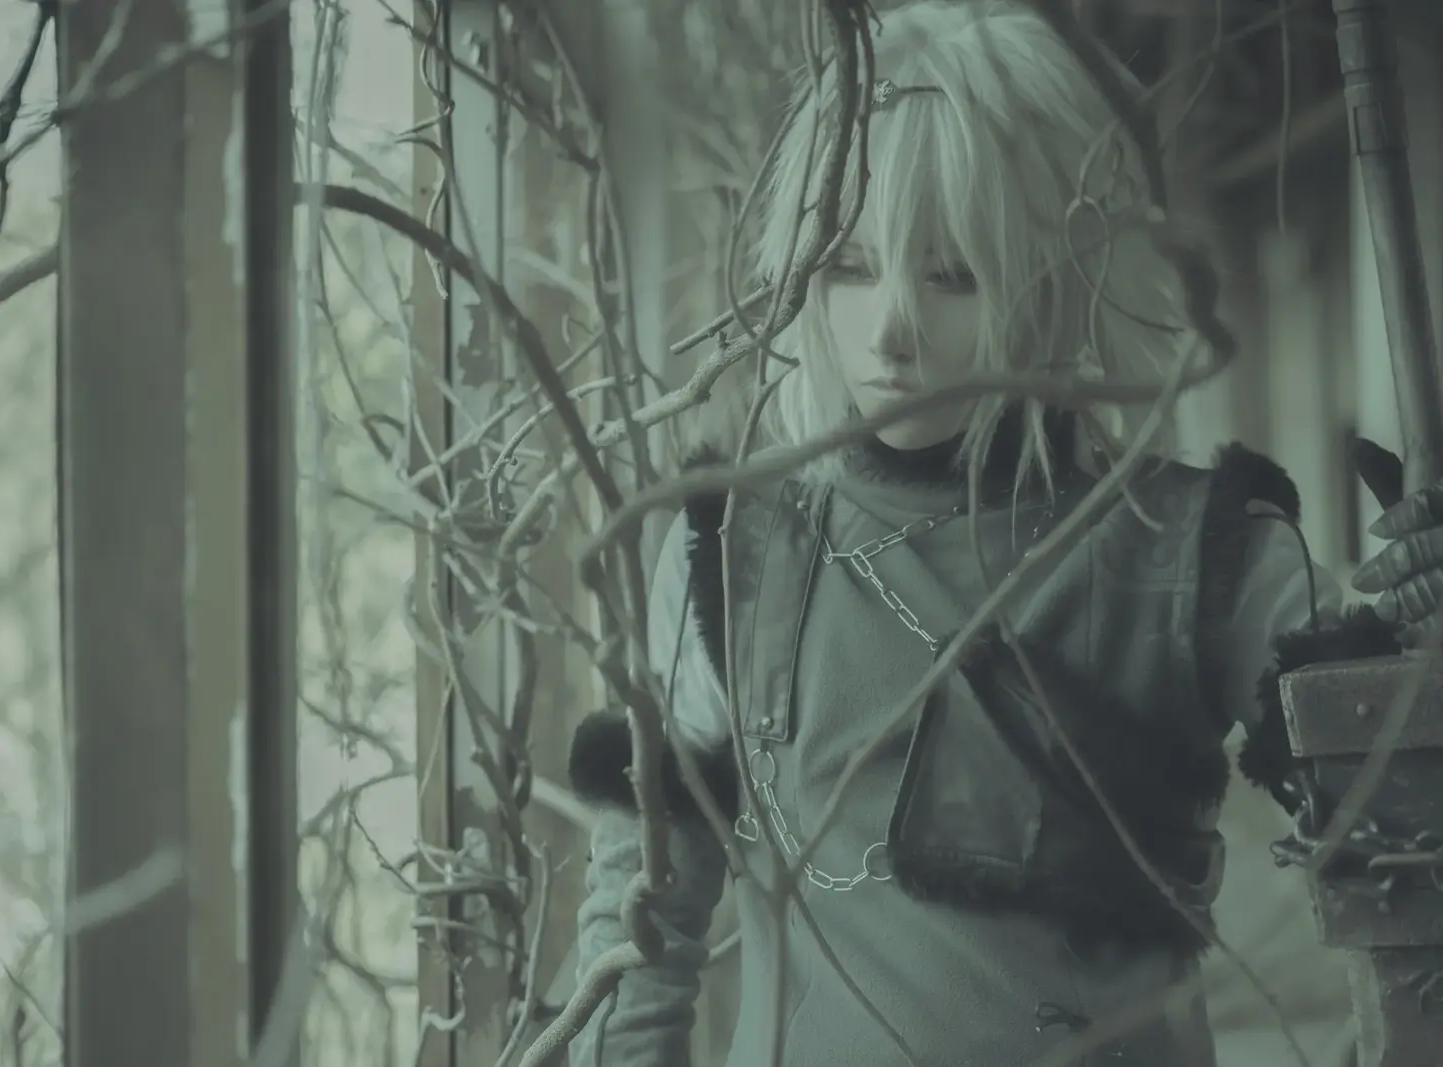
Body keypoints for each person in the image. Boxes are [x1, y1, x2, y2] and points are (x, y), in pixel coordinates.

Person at [564, 2, 1442, 1064]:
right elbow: (641, 920)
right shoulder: (728, 550)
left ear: (1056, 269)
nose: (889, 330)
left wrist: (1420, 657)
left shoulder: (1198, 553)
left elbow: (1403, 859)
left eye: (952, 274)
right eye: (848, 266)